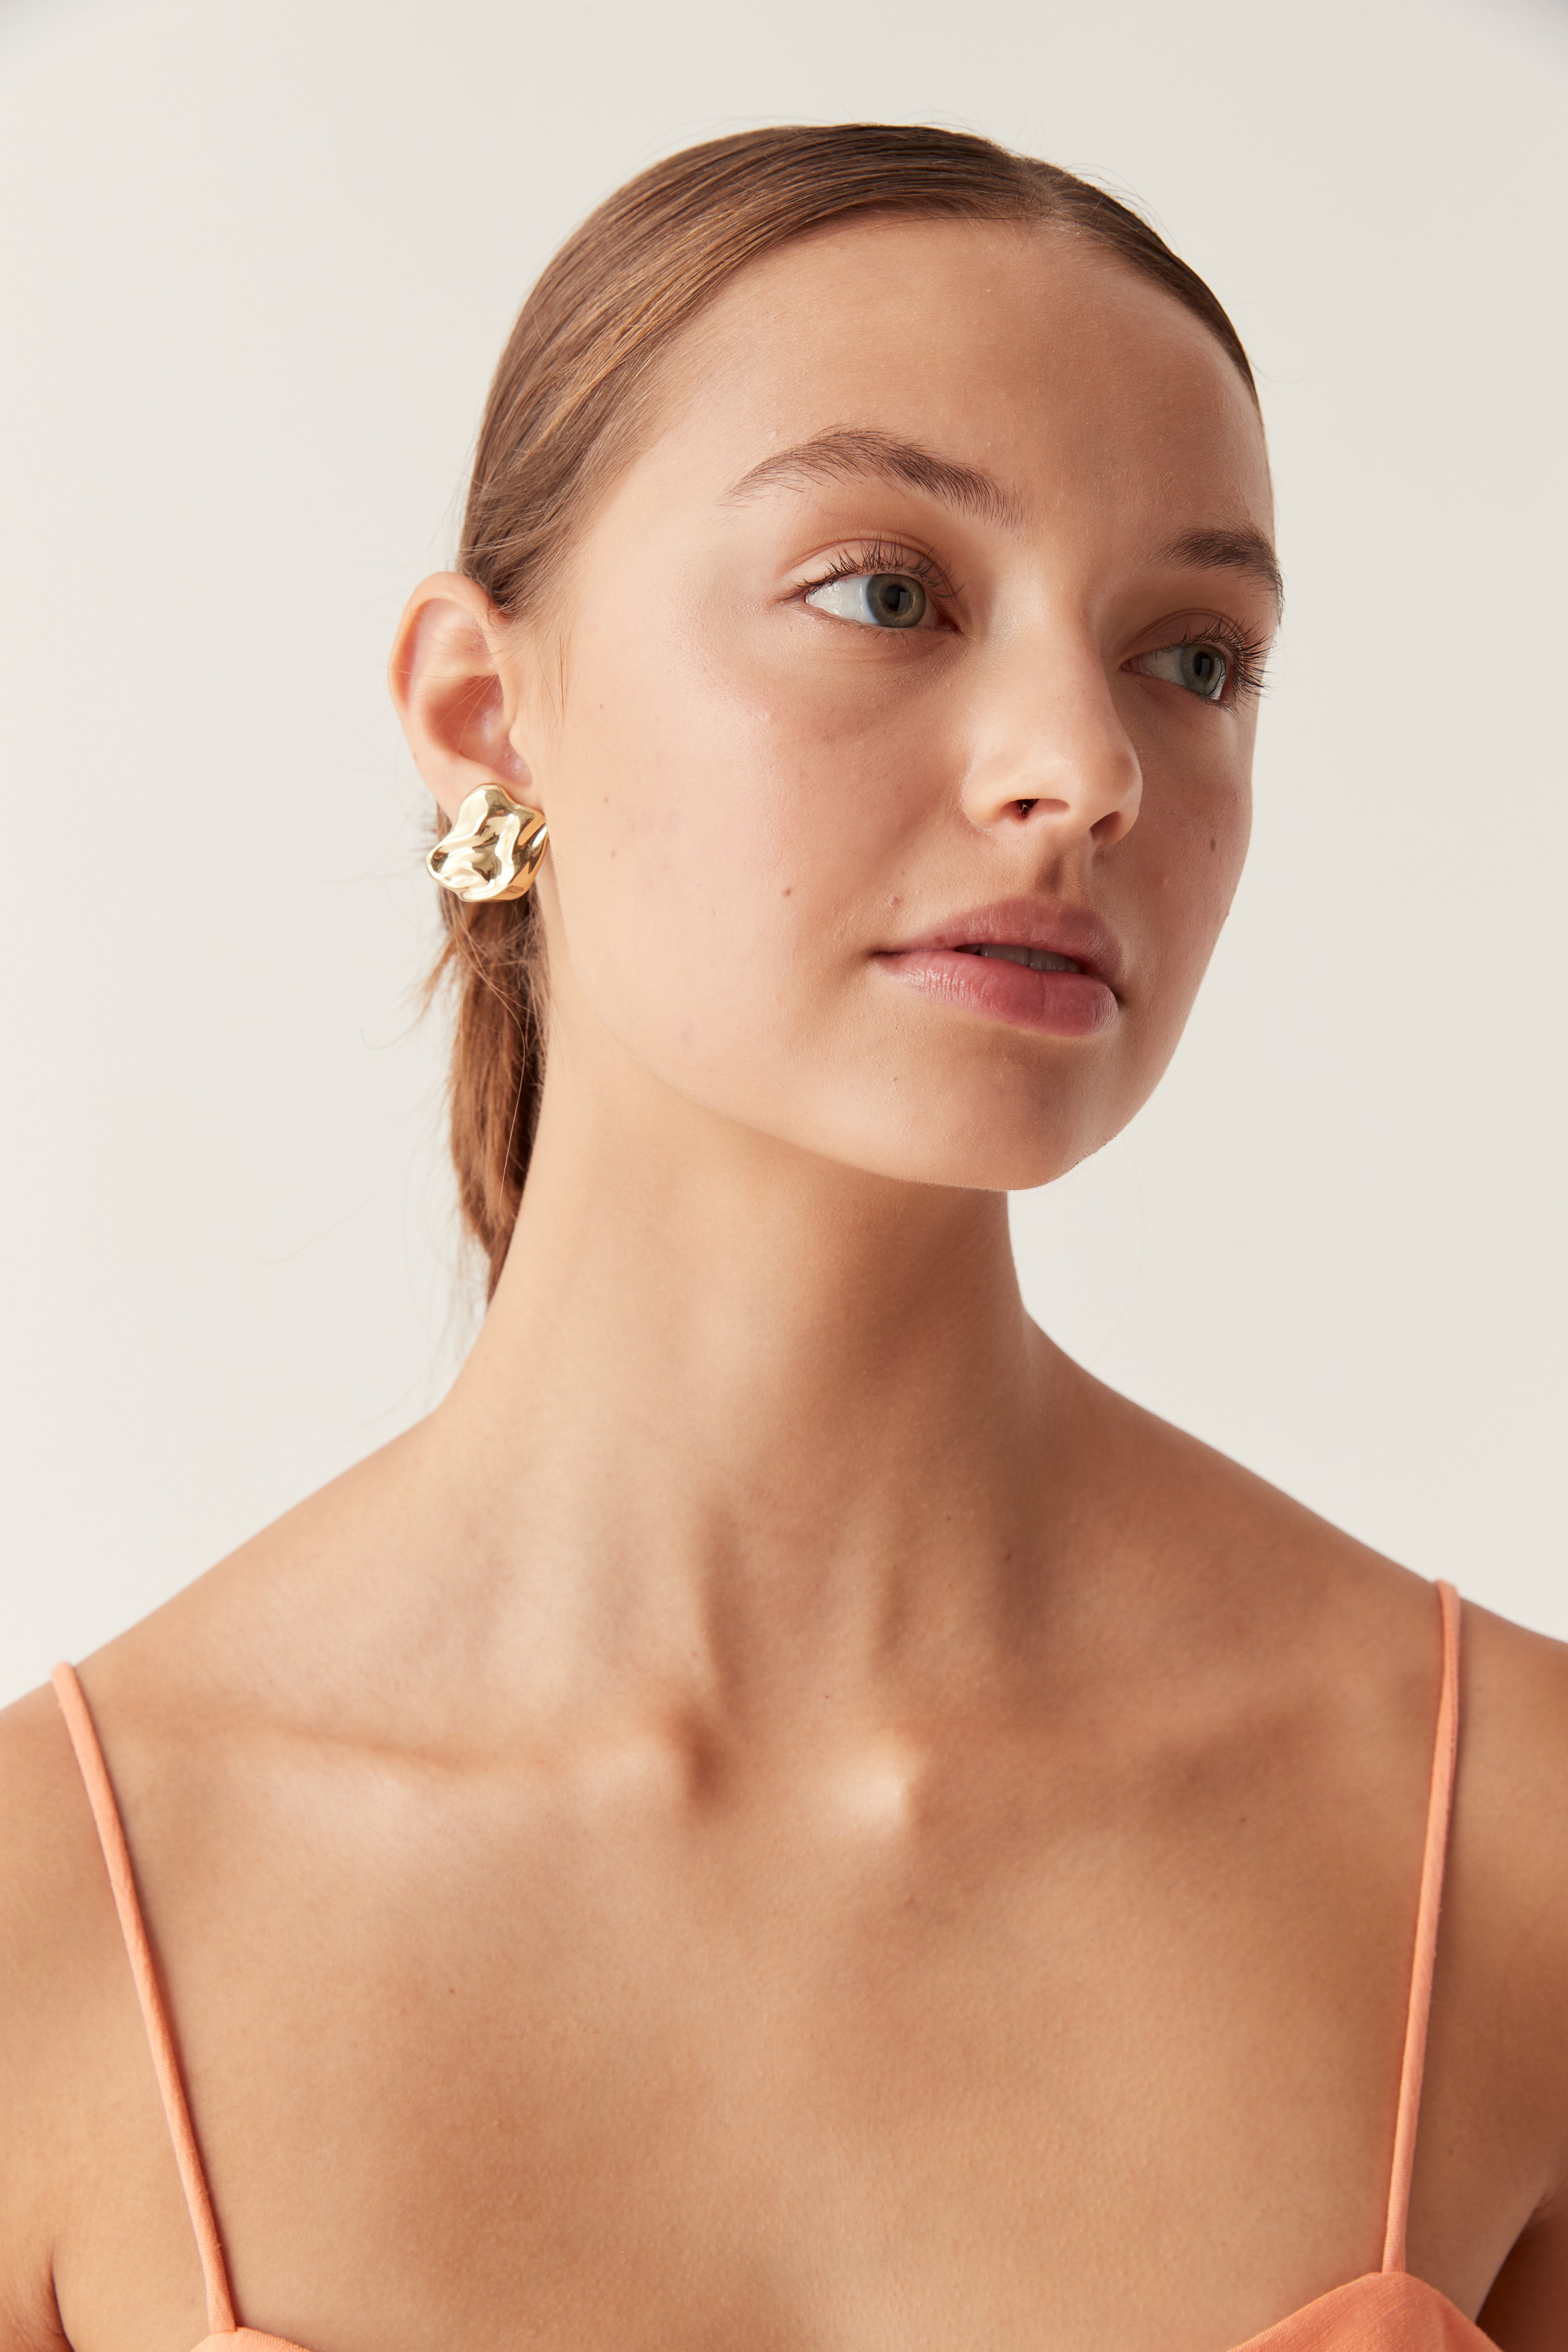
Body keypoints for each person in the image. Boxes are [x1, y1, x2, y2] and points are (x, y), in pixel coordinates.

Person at [2, 124, 1563, 2352]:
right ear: (482, 714)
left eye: (1195, 655)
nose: (1086, 767)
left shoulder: (1511, 1851)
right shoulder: (57, 1930)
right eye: (886, 592)